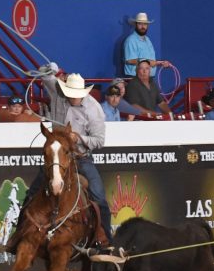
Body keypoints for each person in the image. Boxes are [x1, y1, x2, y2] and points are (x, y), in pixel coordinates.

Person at [18, 66, 112, 246]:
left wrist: (79, 138)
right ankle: (19, 234)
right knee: (32, 193)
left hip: (80, 157)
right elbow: (46, 77)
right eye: (69, 92)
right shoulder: (57, 92)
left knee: (99, 197)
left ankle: (106, 240)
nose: (71, 97)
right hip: (56, 158)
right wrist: (48, 68)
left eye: (74, 94)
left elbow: (99, 141)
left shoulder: (94, 109)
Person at [120, 13, 166, 78]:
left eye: (145, 24)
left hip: (148, 78)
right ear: (135, 25)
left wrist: (161, 63)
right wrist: (149, 62)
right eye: (140, 24)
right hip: (135, 79)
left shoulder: (148, 40)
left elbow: (151, 61)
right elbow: (129, 60)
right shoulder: (131, 40)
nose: (143, 26)